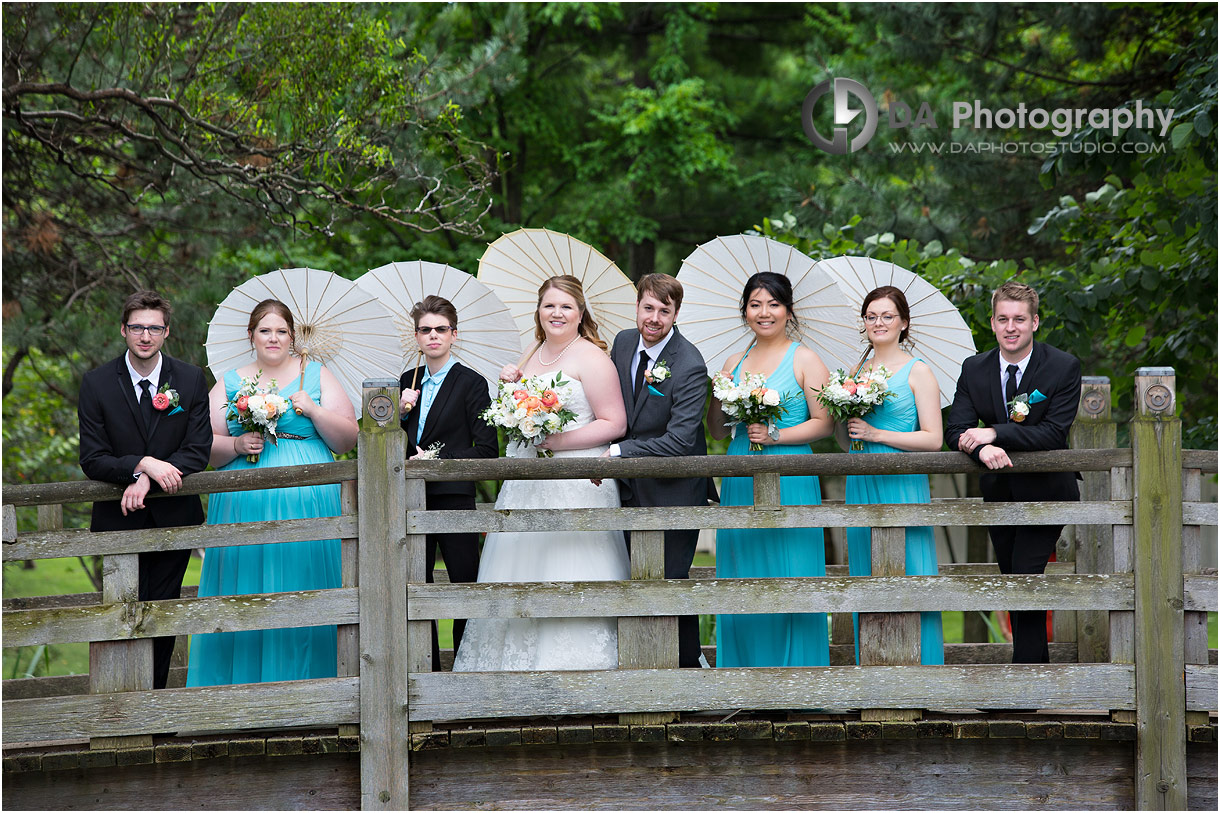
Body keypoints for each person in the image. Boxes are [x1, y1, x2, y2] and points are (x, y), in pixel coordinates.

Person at [453, 275, 629, 671]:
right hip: (526, 481)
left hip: (578, 480)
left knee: (569, 562)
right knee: (521, 560)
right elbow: (520, 422)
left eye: (566, 306)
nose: (557, 313)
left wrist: (557, 443)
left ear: (580, 313)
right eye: (549, 305)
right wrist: (510, 396)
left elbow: (615, 423)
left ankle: (579, 667)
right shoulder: (530, 353)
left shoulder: (592, 358)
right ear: (538, 311)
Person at [186, 299, 358, 685]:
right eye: (265, 330)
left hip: (310, 495)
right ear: (251, 336)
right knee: (247, 580)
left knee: (306, 579)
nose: (274, 337)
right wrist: (235, 445)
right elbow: (200, 446)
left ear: (293, 337)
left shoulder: (316, 374)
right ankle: (240, 689)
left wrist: (314, 411)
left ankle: (315, 685)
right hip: (244, 498)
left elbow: (347, 438)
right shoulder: (231, 381)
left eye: (282, 331)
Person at [78, 290, 212, 690]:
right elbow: (93, 458)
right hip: (118, 519)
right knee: (119, 614)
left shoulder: (188, 379)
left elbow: (197, 450)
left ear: (166, 332)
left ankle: (152, 706)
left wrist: (150, 476)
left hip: (175, 517)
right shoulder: (97, 383)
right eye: (137, 327)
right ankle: (118, 708)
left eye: (154, 328)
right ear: (123, 330)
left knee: (162, 614)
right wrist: (141, 464)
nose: (145, 336)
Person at [946, 280, 1081, 664]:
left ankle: (1027, 675)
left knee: (1025, 572)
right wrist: (983, 447)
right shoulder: (974, 368)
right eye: (1003, 319)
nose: (1011, 327)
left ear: (1035, 322)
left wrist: (994, 432)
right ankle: (1032, 672)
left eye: (1019, 319)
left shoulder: (1062, 366)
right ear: (992, 323)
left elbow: (1053, 432)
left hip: (1048, 490)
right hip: (999, 491)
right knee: (1013, 578)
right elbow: (956, 431)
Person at [708, 271, 834, 667]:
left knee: (792, 567)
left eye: (773, 304)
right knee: (742, 567)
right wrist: (719, 393)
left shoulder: (806, 358)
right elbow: (715, 430)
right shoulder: (734, 361)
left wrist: (777, 435)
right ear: (744, 311)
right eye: (755, 304)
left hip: (791, 472)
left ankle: (798, 674)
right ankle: (743, 674)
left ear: (788, 311)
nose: (764, 312)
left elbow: (824, 423)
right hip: (741, 472)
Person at [606, 274, 717, 669]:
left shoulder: (689, 365)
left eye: (663, 311)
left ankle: (688, 665)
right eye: (648, 308)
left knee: (671, 580)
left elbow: (679, 443)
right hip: (628, 487)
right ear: (637, 307)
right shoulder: (621, 343)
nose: (654, 318)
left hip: (675, 488)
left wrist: (620, 451)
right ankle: (646, 666)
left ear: (675, 314)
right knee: (633, 580)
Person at [838, 286, 944, 665]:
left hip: (900, 478)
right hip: (861, 476)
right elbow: (845, 435)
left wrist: (877, 433)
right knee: (865, 572)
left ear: (903, 323)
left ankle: (922, 667)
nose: (878, 323)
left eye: (886, 316)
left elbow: (934, 439)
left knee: (908, 568)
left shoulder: (919, 371)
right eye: (871, 316)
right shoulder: (854, 373)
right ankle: (873, 666)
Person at [398, 295, 498, 670]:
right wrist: (401, 410)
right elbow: (384, 442)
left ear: (454, 334)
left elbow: (487, 450)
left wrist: (437, 461)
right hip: (410, 499)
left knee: (463, 587)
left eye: (441, 329)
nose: (433, 336)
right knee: (416, 587)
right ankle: (424, 670)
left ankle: (466, 666)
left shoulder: (472, 383)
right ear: (417, 336)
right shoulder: (405, 383)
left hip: (454, 499)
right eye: (426, 330)